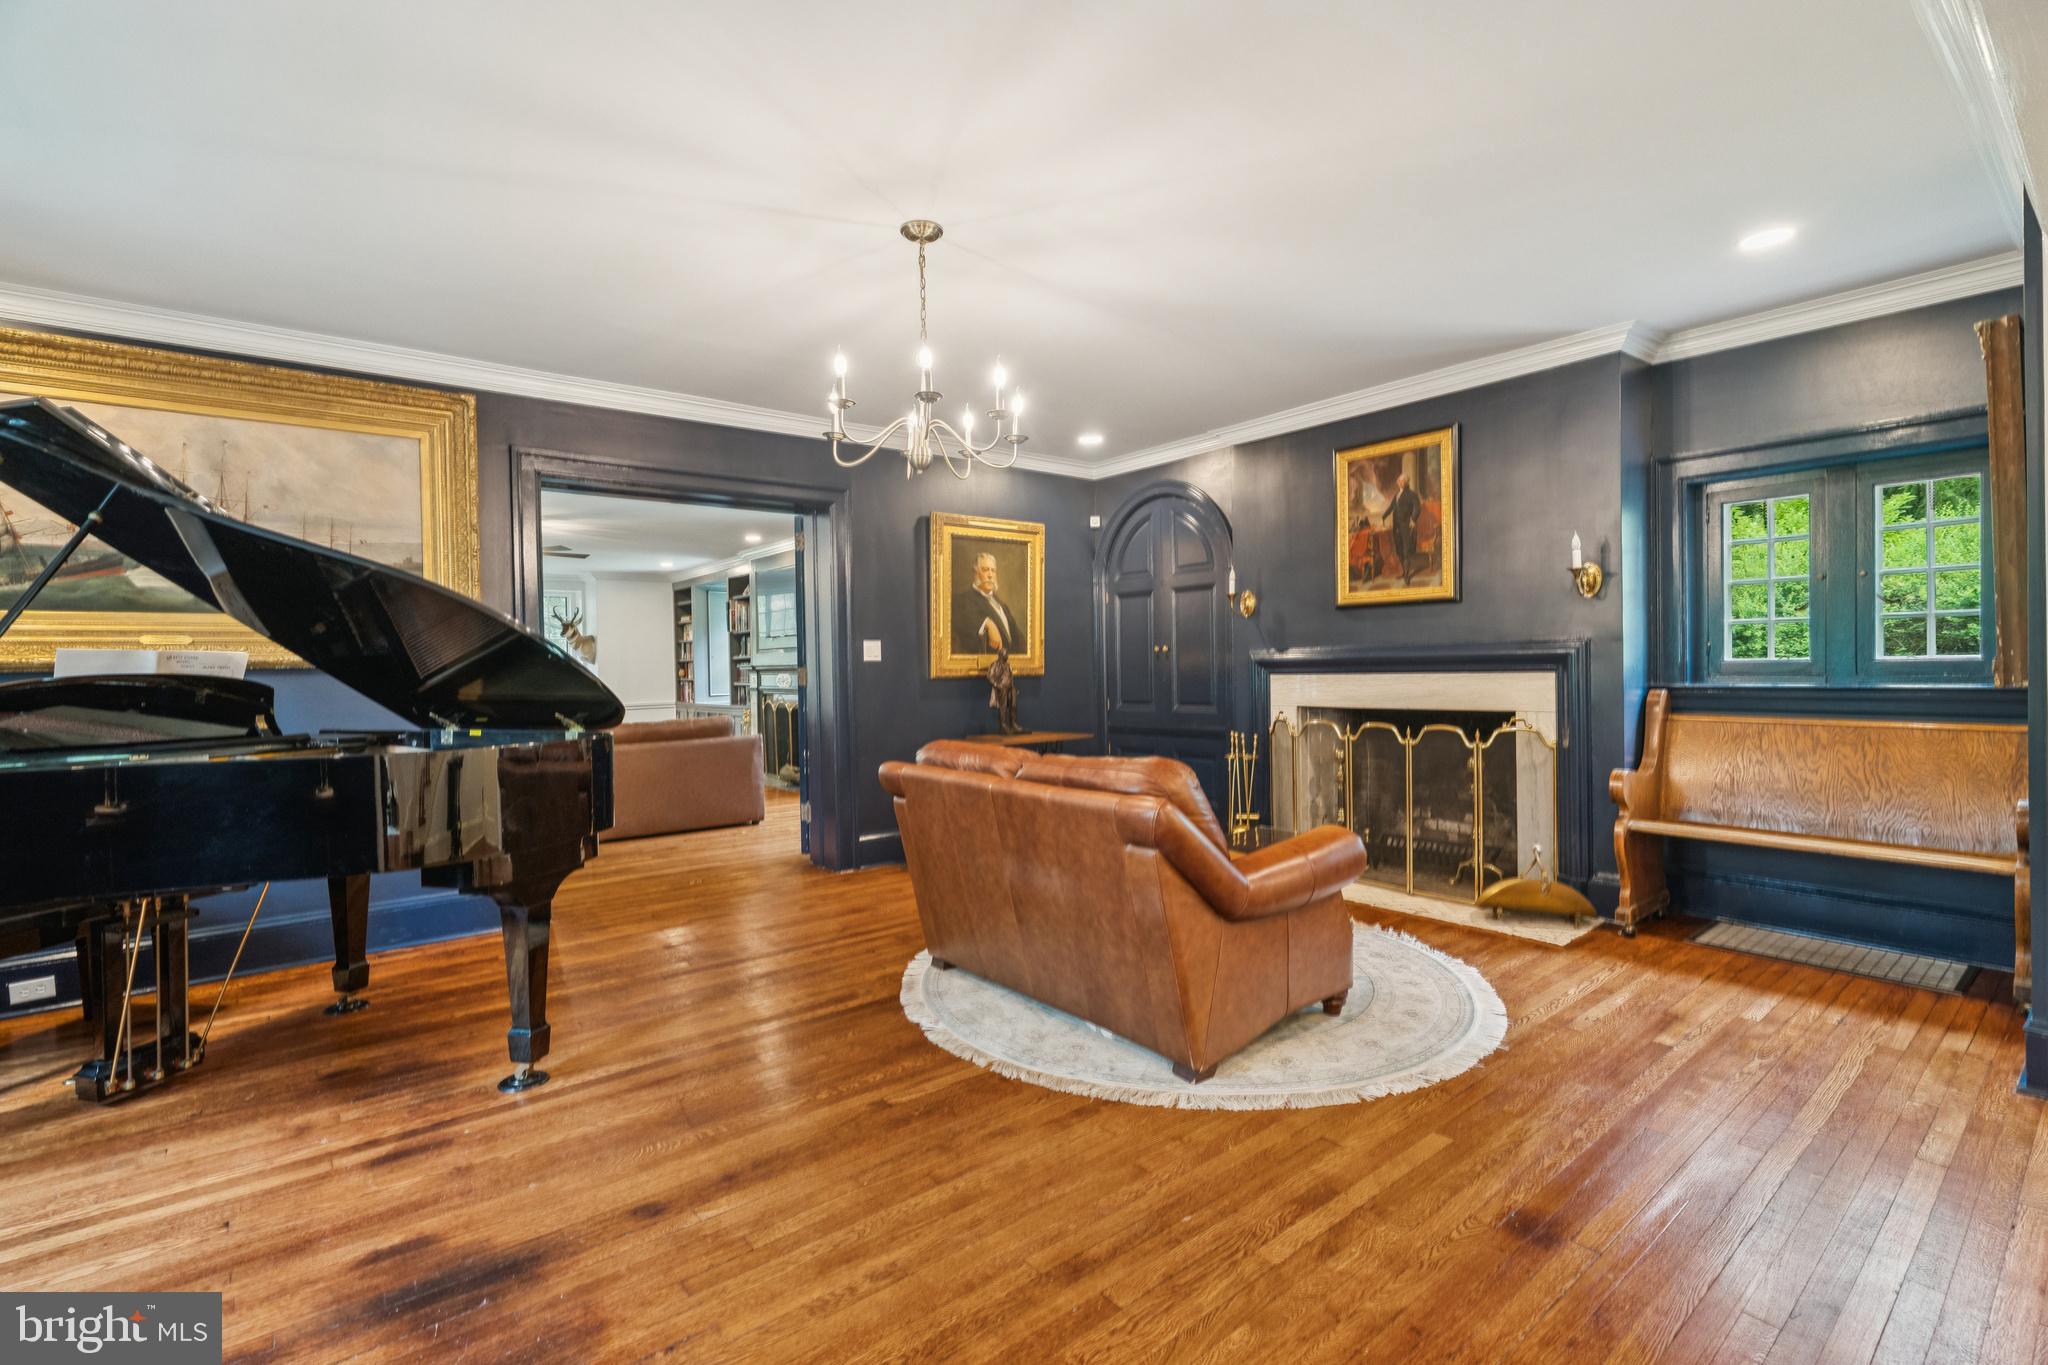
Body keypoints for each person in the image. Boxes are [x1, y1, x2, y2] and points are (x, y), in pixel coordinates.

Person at [954, 551, 1021, 654]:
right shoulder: (963, 600)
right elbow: (962, 619)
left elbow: (1017, 638)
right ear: (976, 572)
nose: (990, 575)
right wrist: (987, 623)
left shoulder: (1002, 605)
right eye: (985, 570)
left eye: (993, 570)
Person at [1386, 472, 1422, 584]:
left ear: (1406, 482)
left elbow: (1417, 507)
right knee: (1399, 551)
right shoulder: (1397, 495)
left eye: (1401, 481)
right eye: (1398, 481)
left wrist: (1414, 519)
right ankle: (1404, 572)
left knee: (1406, 551)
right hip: (1397, 528)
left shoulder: (1411, 494)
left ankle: (1407, 575)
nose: (1398, 483)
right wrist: (1384, 516)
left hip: (1407, 527)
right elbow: (1391, 507)